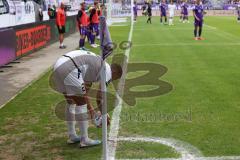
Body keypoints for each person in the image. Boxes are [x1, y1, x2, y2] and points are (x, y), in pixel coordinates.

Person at [52, 50, 122, 147]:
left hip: (58, 65)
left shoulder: (94, 69)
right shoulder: (107, 70)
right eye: (114, 79)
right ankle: (85, 140)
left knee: (71, 102)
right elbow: (99, 97)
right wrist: (104, 115)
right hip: (70, 67)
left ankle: (72, 135)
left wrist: (92, 111)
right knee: (81, 104)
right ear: (114, 73)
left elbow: (84, 92)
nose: (111, 81)